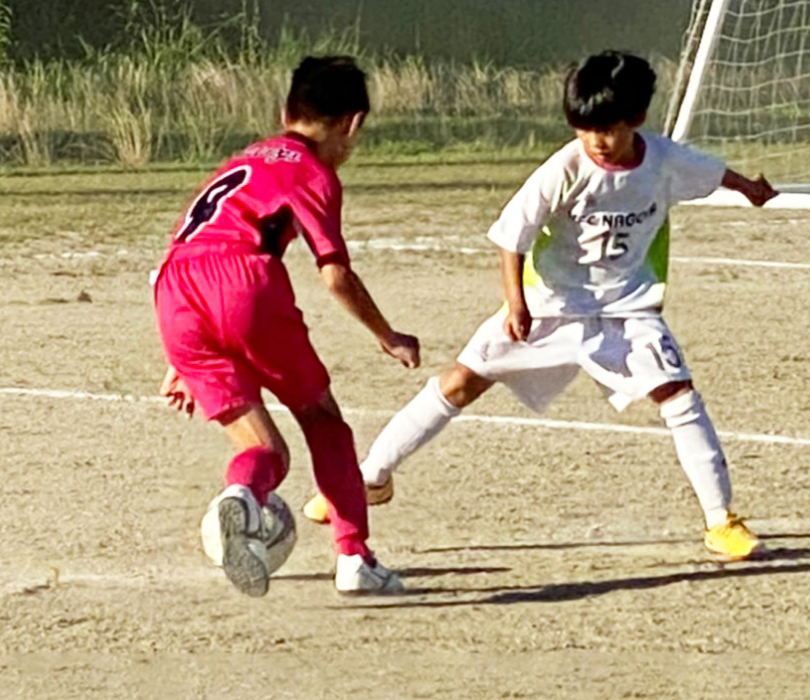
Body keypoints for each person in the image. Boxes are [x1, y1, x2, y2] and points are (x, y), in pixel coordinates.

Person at [303, 51, 778, 561]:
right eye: (583, 129)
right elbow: (512, 237)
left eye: (607, 130)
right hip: (547, 307)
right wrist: (516, 304)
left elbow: (713, 172)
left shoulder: (664, 160)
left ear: (636, 119)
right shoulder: (564, 168)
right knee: (458, 383)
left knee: (679, 397)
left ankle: (720, 521)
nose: (595, 140)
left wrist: (749, 187)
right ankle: (369, 480)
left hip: (627, 312)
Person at [153, 56, 420, 597]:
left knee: (266, 453)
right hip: (241, 281)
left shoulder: (241, 159)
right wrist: (387, 335)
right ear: (354, 123)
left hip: (174, 290)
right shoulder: (312, 170)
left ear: (285, 111)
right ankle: (353, 558)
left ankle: (241, 497)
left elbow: (197, 247)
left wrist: (183, 355)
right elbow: (335, 274)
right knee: (323, 420)